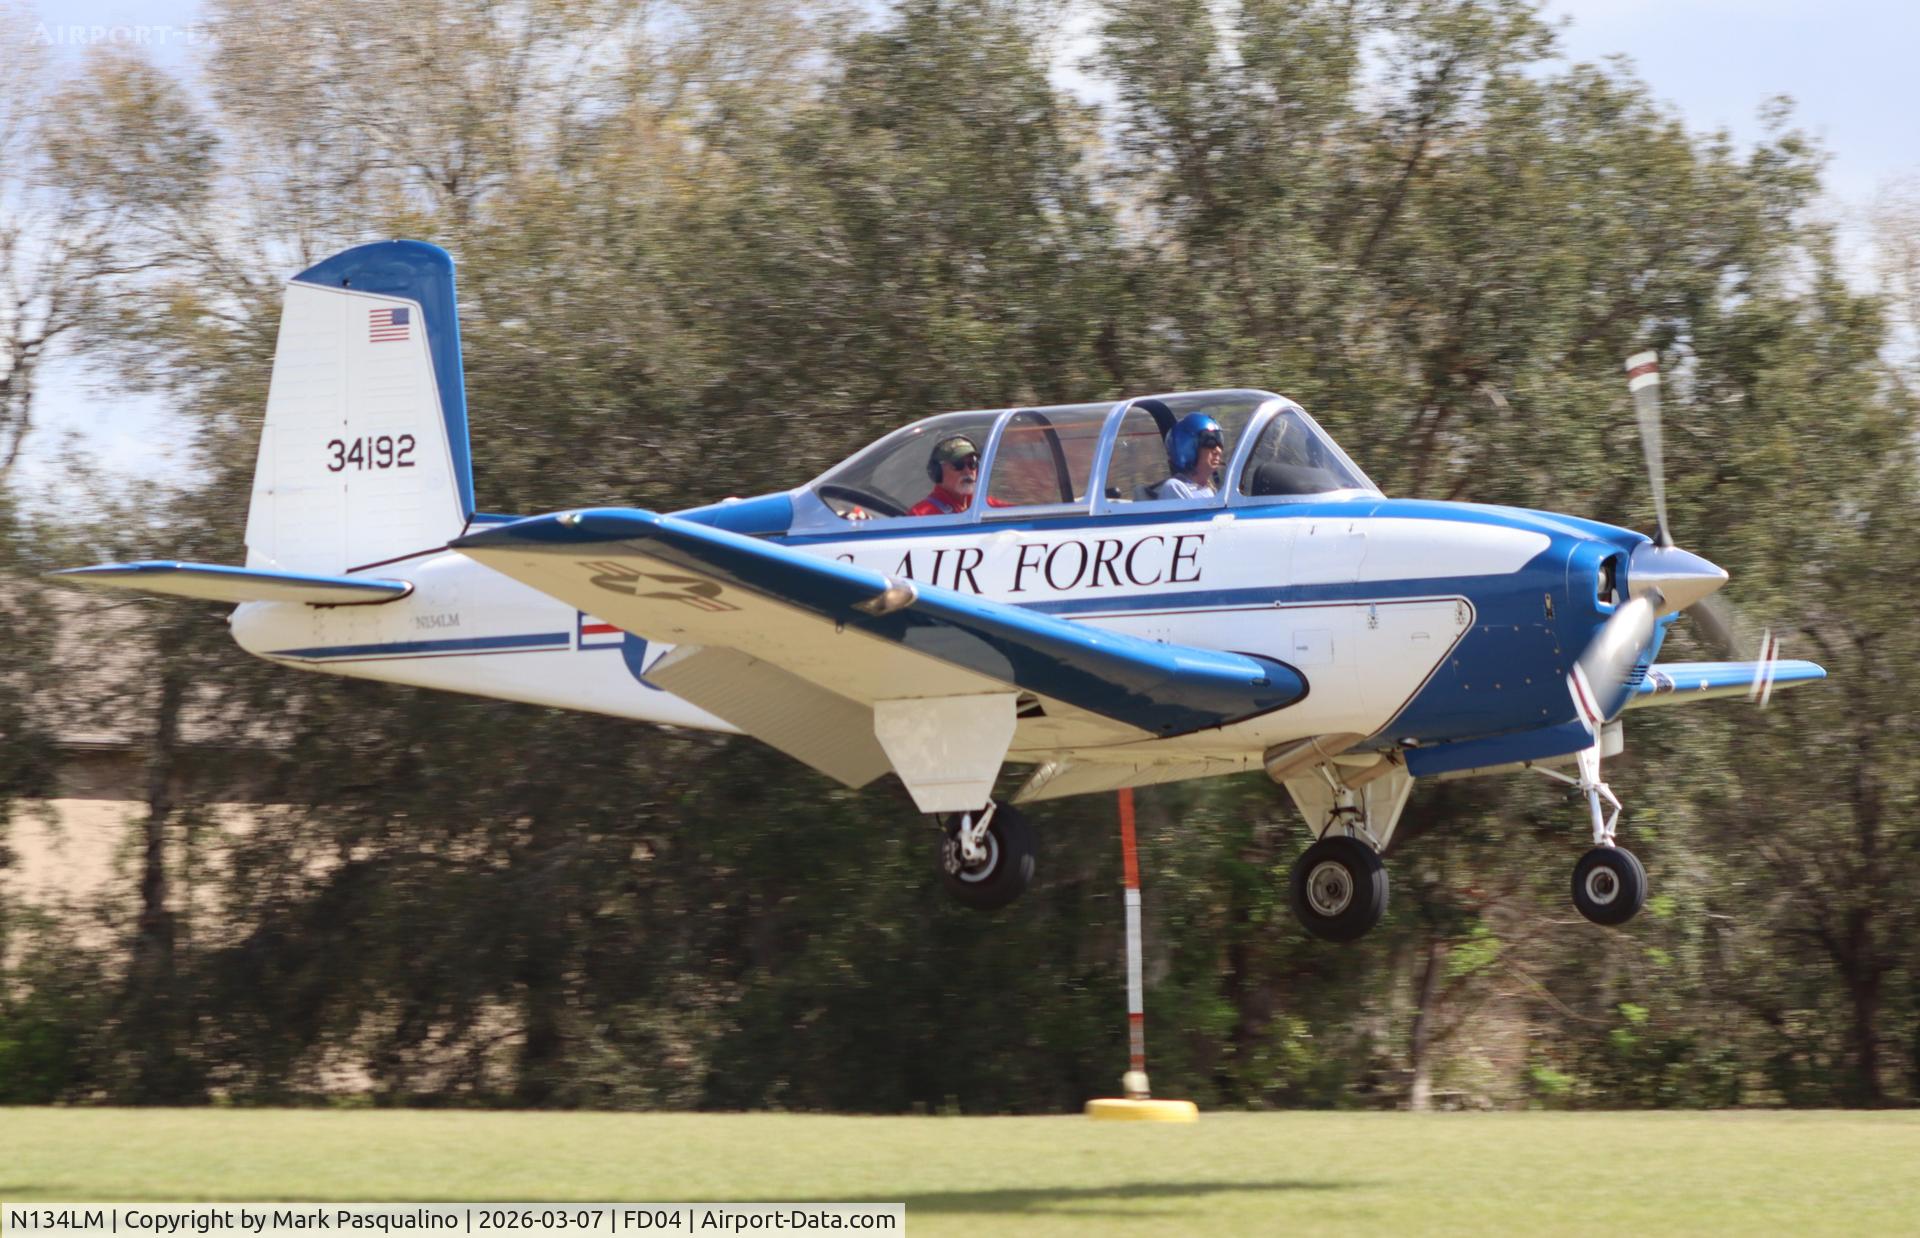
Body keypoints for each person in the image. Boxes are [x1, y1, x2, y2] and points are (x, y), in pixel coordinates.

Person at [1148, 413, 1225, 500]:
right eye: (1210, 443)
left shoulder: (1209, 489)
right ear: (1187, 448)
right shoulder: (1174, 488)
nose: (1218, 451)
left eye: (1220, 442)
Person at [909, 435, 983, 516]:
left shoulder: (989, 505)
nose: (968, 471)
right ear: (938, 471)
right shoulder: (921, 516)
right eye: (958, 464)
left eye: (972, 464)